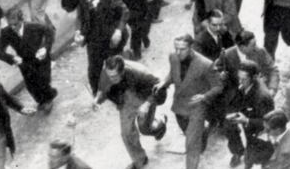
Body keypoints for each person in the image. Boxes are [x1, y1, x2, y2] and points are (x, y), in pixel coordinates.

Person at [156, 34, 223, 169]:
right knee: (189, 134)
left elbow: (218, 86)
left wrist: (204, 96)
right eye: (176, 48)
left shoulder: (205, 64)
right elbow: (173, 73)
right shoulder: (173, 57)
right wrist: (165, 82)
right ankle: (202, 133)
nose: (178, 52)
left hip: (196, 106)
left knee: (191, 144)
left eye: (183, 49)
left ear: (191, 47)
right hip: (179, 105)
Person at [93, 56, 167, 169]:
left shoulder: (140, 73)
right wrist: (97, 99)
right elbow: (103, 88)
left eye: (113, 77)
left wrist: (147, 104)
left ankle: (160, 124)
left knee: (145, 129)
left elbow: (160, 88)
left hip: (145, 97)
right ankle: (140, 160)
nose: (110, 78)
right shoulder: (107, 71)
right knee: (126, 133)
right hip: (126, 97)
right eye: (108, 75)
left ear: (122, 72)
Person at [0, 8, 57, 112]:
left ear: (21, 20)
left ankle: (48, 99)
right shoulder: (6, 32)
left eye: (15, 24)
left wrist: (45, 48)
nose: (13, 28)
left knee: (43, 81)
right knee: (31, 85)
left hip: (40, 59)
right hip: (24, 62)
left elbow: (49, 31)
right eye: (10, 25)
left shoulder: (33, 26)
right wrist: (12, 58)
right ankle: (41, 100)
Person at [75, 0, 129, 95]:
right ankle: (96, 92)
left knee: (114, 67)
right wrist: (78, 32)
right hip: (93, 39)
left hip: (111, 38)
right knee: (93, 69)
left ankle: (118, 91)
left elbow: (125, 13)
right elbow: (80, 17)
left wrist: (119, 31)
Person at [222, 60, 275, 167]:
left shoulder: (262, 97)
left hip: (260, 132)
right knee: (228, 126)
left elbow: (268, 123)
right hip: (248, 119)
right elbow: (238, 100)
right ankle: (238, 151)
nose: (240, 82)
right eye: (239, 78)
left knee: (258, 159)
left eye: (244, 79)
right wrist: (234, 113)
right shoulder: (246, 84)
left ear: (254, 77)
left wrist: (246, 120)